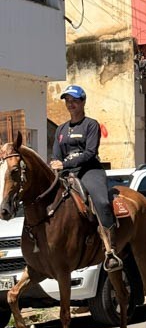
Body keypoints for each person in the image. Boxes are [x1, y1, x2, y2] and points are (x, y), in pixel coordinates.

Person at [50, 85, 123, 272]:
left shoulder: (91, 125)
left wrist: (64, 164)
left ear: (83, 102)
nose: (70, 104)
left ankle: (110, 249)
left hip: (89, 170)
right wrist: (56, 164)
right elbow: (56, 155)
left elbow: (90, 153)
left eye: (74, 101)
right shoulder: (61, 129)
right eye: (67, 101)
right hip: (66, 173)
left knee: (102, 202)